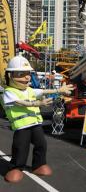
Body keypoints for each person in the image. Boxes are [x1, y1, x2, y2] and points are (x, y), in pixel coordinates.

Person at [1, 55, 74, 183]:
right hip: (22, 126)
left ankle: (39, 165)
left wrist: (59, 90)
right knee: (21, 148)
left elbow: (42, 91)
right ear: (10, 75)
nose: (27, 77)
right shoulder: (9, 92)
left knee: (41, 144)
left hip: (35, 124)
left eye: (28, 73)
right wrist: (38, 104)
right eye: (21, 74)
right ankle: (16, 168)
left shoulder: (29, 90)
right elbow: (20, 103)